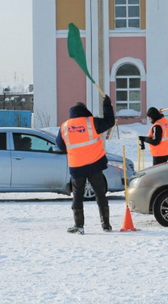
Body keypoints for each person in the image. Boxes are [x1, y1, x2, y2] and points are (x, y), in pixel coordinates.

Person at [55, 95, 115, 234]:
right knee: (100, 194)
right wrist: (107, 105)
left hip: (77, 167)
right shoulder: (91, 122)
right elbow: (109, 121)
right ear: (84, 111)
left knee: (77, 196)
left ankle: (79, 225)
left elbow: (60, 146)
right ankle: (105, 225)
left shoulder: (64, 127)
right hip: (94, 165)